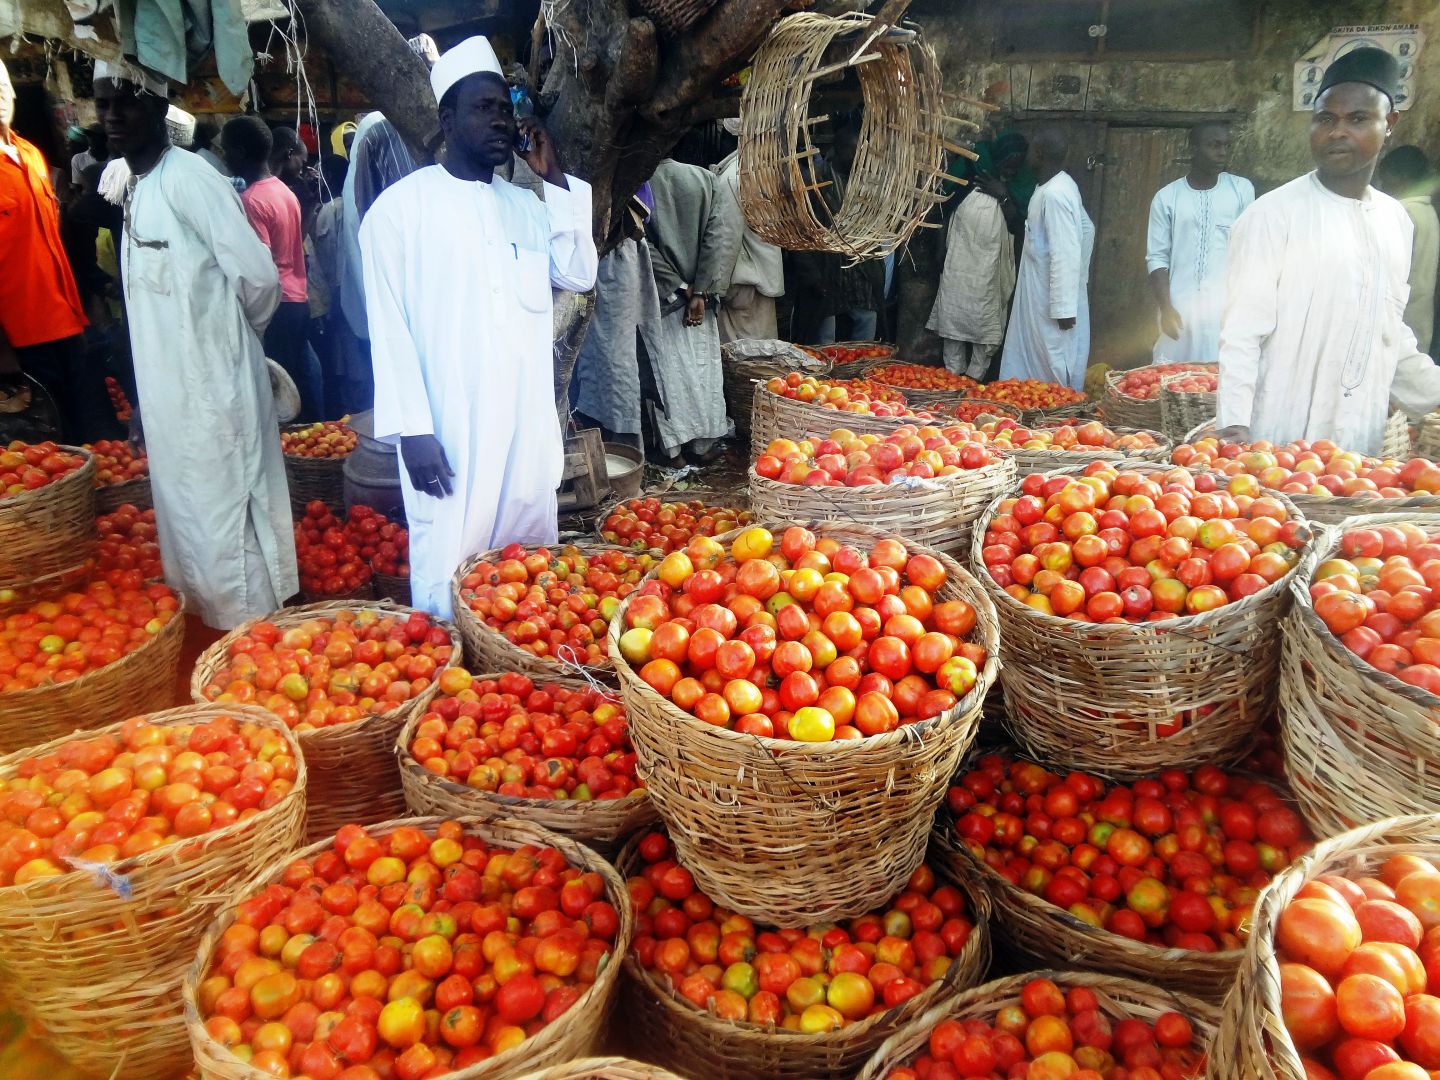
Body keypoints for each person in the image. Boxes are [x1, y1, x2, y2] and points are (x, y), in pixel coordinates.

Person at [359, 36, 597, 619]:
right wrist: (412, 430)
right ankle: (453, 673)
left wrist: (556, 177)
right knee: (450, 558)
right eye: (483, 108)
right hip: (449, 428)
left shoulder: (527, 206)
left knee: (525, 562)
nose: (499, 121)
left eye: (504, 109)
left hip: (523, 424)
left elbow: (578, 272)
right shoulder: (399, 211)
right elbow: (388, 328)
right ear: (447, 118)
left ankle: (521, 668)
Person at [94, 60, 297, 628]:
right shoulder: (135, 184)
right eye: (103, 103)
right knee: (187, 510)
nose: (112, 116)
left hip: (215, 387)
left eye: (126, 102)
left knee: (226, 507)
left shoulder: (191, 178)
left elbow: (258, 279)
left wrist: (233, 347)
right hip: (167, 395)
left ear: (159, 107)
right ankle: (207, 632)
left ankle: (250, 638)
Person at [1217, 47, 1440, 454]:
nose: (1338, 132)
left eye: (1357, 119)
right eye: (1325, 119)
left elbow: (1388, 332)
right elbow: (1242, 333)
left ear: (1389, 124)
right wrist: (1234, 426)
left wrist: (1433, 392)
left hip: (1359, 447)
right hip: (1277, 439)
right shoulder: (1272, 215)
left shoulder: (1395, 221)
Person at [0, 59, 116, 442]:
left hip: (65, 323)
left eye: (3, 84)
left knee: (92, 437)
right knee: (47, 448)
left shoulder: (31, 155)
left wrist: (79, 311)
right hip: (19, 338)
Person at [222, 116, 322, 422]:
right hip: (298, 298)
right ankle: (317, 439)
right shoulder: (283, 191)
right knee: (301, 378)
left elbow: (259, 265)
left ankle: (298, 453)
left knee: (283, 389)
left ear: (238, 152)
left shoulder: (251, 200)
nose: (224, 158)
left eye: (226, 151)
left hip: (277, 304)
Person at [643, 157, 738, 464]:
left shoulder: (641, 182)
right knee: (704, 374)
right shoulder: (705, 179)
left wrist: (681, 287)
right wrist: (700, 292)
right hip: (702, 303)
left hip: (664, 300)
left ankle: (673, 451)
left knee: (668, 376)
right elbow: (716, 239)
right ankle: (703, 446)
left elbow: (642, 245)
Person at [1146, 124, 1254, 364]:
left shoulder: (1241, 190)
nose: (1222, 152)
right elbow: (1157, 257)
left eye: (1226, 146)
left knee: (1217, 383)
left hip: (1223, 310)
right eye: (1214, 145)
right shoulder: (1168, 197)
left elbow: (1247, 252)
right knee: (1170, 380)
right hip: (1179, 309)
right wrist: (1166, 308)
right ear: (1193, 149)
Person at [999, 129, 1096, 391]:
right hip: (1041, 294)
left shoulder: (1055, 194)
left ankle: (1049, 421)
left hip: (1051, 304)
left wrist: (1065, 306)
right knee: (1033, 366)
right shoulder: (1057, 186)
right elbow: (1087, 230)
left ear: (1038, 154)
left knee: (1050, 368)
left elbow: (1065, 250)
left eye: (1031, 150)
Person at [928, 132, 1027, 380]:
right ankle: (952, 376)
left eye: (1017, 164)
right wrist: (940, 250)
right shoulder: (969, 172)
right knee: (954, 316)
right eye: (1008, 163)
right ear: (999, 157)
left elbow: (1017, 223)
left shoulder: (1014, 187)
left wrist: (1001, 194)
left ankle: (975, 378)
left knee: (985, 320)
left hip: (989, 267)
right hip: (959, 262)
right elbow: (944, 210)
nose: (1012, 169)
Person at [713, 119, 783, 342]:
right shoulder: (759, 171)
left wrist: (716, 288)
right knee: (761, 360)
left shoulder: (735, 177)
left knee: (744, 362)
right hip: (758, 282)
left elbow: (727, 239)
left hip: (745, 286)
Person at [1376, 145, 1438, 356]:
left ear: (1401, 177)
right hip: (1419, 326)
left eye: (1385, 179)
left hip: (1396, 330)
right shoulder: (1427, 211)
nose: (1382, 186)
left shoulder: (1402, 214)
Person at [71, 124, 108, 188]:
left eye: (95, 135)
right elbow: (77, 187)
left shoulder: (115, 157)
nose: (91, 138)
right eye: (89, 135)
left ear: (104, 138)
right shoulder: (78, 159)